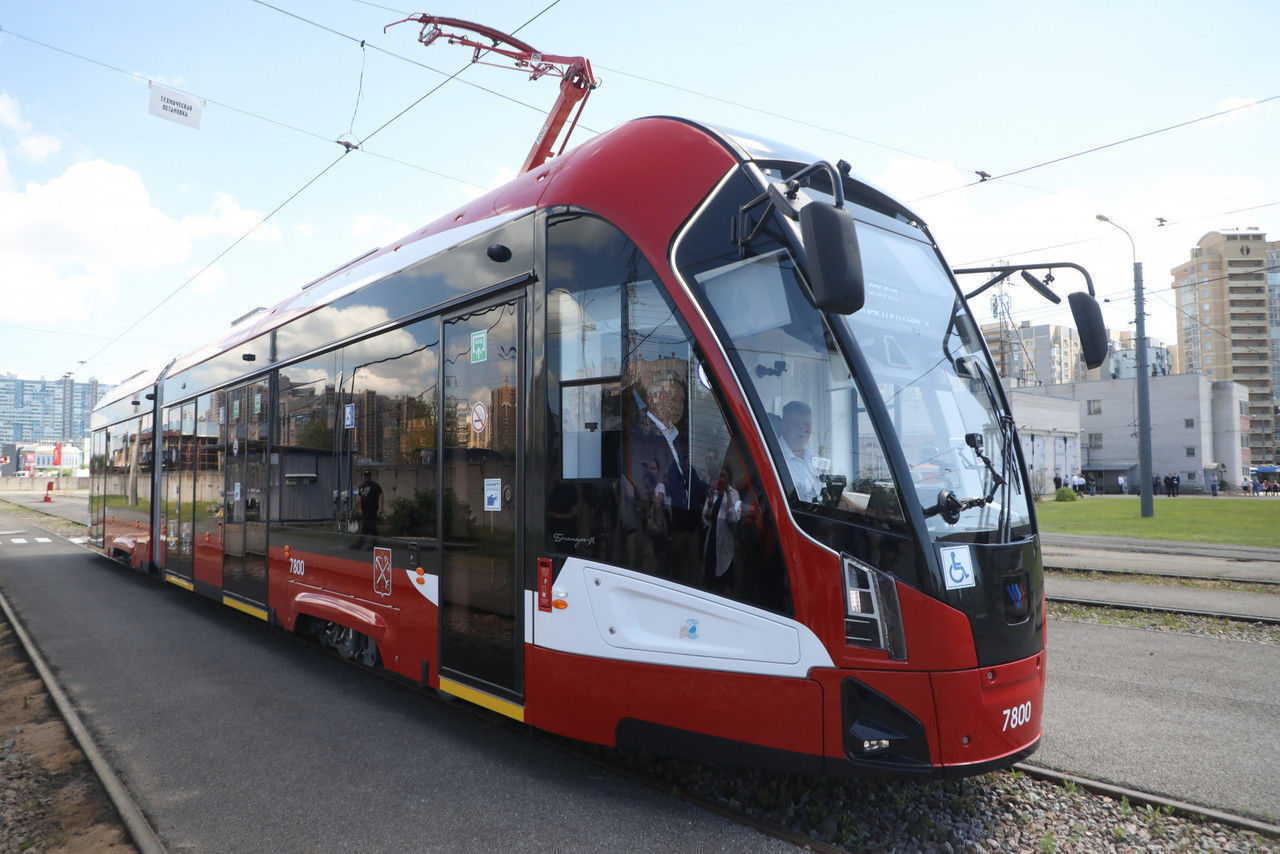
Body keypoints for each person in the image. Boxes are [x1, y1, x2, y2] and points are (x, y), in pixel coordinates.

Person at [701, 465, 741, 594]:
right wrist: (711, 502)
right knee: (710, 576)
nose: (722, 479)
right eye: (720, 476)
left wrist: (728, 494)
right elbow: (706, 518)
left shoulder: (734, 494)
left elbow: (734, 517)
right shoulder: (714, 492)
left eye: (724, 476)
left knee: (724, 578)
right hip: (712, 539)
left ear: (729, 477)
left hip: (724, 542)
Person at [780, 400, 822, 503]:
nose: (802, 430)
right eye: (796, 424)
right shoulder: (775, 456)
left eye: (807, 424)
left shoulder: (813, 456)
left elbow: (824, 489)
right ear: (784, 426)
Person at [358, 469, 384, 537]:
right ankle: (372, 541)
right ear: (363, 476)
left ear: (370, 476)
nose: (366, 477)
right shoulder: (361, 487)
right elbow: (360, 497)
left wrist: (381, 508)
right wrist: (360, 508)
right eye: (365, 476)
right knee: (369, 527)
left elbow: (381, 495)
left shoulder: (375, 485)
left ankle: (364, 541)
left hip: (372, 509)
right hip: (364, 510)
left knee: (368, 526)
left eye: (368, 475)